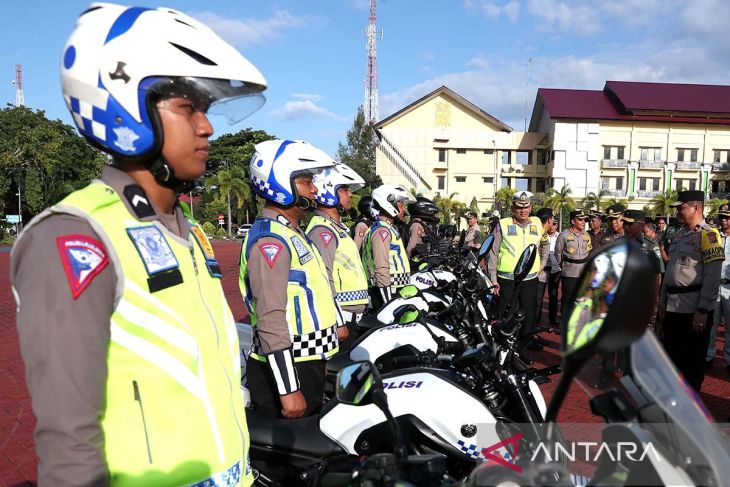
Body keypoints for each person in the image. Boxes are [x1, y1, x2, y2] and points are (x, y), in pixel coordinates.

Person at [11, 5, 267, 485]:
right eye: (188, 108)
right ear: (127, 107)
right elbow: (69, 442)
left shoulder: (189, 232)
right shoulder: (76, 235)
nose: (207, 127)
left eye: (207, 110)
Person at [240, 139, 344, 419]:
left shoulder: (292, 233)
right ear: (279, 182)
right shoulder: (270, 240)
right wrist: (288, 389)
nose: (314, 189)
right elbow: (270, 315)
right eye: (306, 181)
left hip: (306, 362)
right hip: (285, 370)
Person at [659, 190, 723, 393]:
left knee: (692, 364)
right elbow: (670, 271)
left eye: (681, 207)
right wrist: (662, 303)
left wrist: (703, 309)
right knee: (671, 359)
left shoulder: (709, 235)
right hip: (673, 307)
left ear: (696, 208)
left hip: (693, 310)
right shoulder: (681, 234)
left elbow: (712, 277)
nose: (677, 211)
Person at [306, 163, 369, 351]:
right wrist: (338, 321)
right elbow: (324, 279)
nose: (350, 195)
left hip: (352, 319)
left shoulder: (336, 228)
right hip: (341, 321)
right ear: (327, 189)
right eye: (344, 189)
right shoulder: (322, 231)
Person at [487, 191, 549, 353]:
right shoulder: (503, 224)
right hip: (506, 280)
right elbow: (493, 253)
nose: (523, 210)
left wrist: (542, 263)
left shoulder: (537, 223)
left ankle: (522, 352)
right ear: (513, 208)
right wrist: (493, 280)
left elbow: (545, 244)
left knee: (528, 317)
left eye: (526, 207)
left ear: (531, 207)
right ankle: (502, 352)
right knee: (506, 316)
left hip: (530, 280)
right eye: (519, 207)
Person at [363, 184, 416, 307]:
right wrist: (388, 303)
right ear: (389, 203)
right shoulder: (382, 230)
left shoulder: (385, 228)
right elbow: (381, 267)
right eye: (401, 205)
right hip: (387, 291)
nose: (404, 210)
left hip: (394, 289)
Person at [706, 209, 730, 371]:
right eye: (722, 217)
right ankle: (708, 357)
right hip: (714, 285)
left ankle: (729, 359)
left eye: (727, 218)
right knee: (711, 325)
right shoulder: (712, 236)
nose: (723, 221)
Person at [555, 209, 592, 311]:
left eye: (584, 220)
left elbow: (588, 251)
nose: (583, 222)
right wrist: (563, 266)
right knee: (568, 298)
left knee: (581, 299)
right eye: (580, 220)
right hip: (569, 272)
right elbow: (558, 252)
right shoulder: (563, 235)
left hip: (583, 272)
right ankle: (564, 322)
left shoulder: (586, 235)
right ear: (572, 221)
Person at [623, 209, 662, 296]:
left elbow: (657, 274)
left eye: (630, 224)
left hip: (642, 295)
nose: (626, 227)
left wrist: (655, 297)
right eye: (624, 223)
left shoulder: (651, 245)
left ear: (641, 225)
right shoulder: (618, 244)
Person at [536, 208, 560, 326]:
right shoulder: (538, 233)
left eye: (555, 223)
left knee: (553, 294)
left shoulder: (558, 236)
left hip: (553, 268)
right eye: (552, 221)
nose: (553, 225)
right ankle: (536, 322)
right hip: (540, 270)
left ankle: (552, 318)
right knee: (538, 297)